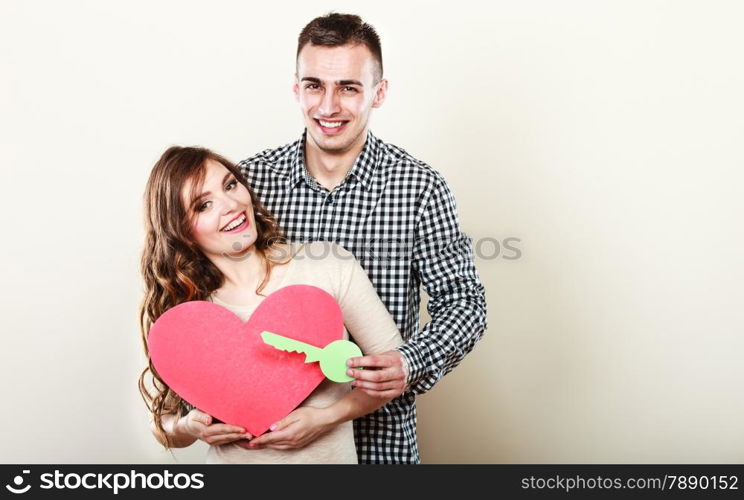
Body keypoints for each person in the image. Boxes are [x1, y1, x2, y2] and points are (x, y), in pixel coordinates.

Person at [238, 13, 488, 463]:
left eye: (349, 88)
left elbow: (464, 303)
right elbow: (208, 293)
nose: (328, 106)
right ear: (296, 87)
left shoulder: (419, 188)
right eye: (314, 85)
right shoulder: (248, 184)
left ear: (379, 92)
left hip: (380, 447)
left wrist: (411, 361)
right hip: (269, 449)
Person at [138, 146, 403, 463]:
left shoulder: (329, 266)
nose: (232, 205)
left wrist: (327, 417)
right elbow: (163, 425)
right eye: (204, 205)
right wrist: (190, 426)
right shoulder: (185, 314)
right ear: (182, 231)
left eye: (230, 184)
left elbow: (394, 373)